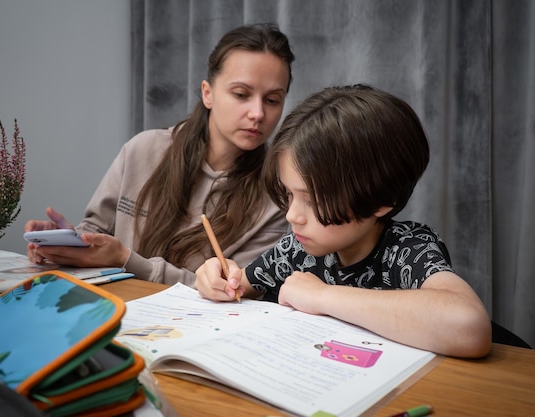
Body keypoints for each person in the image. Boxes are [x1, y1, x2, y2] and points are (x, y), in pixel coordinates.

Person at [195, 84, 492, 358]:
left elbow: (469, 326)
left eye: (311, 200)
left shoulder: (407, 249)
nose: (292, 216)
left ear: (380, 199)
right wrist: (219, 279)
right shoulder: (297, 250)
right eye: (289, 194)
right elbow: (239, 284)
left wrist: (323, 296)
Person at [24, 23, 295, 286]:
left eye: (272, 100)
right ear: (208, 94)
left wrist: (127, 259)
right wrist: (67, 244)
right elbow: (96, 232)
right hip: (109, 309)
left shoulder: (277, 193)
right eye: (241, 94)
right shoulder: (142, 150)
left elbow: (238, 289)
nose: (258, 113)